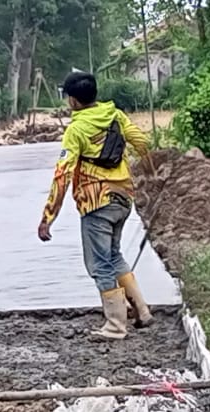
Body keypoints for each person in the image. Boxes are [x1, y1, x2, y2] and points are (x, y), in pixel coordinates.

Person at [36, 71, 154, 340]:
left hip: (96, 202)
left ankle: (115, 325)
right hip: (123, 198)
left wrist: (48, 216)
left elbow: (62, 174)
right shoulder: (115, 115)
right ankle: (142, 310)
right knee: (113, 256)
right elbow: (143, 143)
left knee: (100, 264)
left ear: (73, 101)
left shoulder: (76, 130)